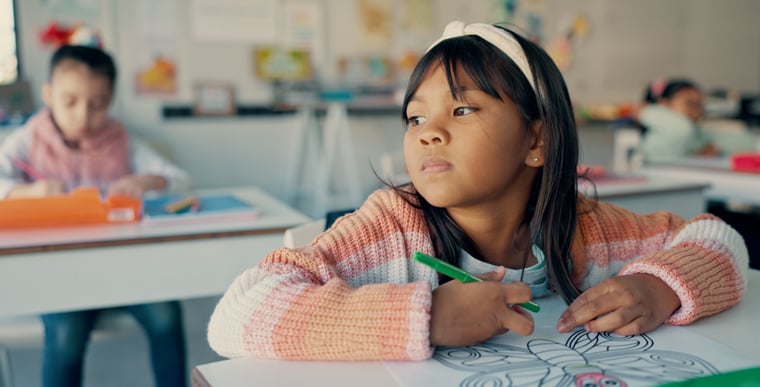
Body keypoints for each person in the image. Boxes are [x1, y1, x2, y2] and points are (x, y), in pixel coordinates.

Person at [207, 21, 748, 361]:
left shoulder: (592, 230)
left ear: (537, 139)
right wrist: (426, 317)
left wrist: (662, 288)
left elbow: (719, 240)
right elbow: (237, 316)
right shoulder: (390, 229)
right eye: (415, 117)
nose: (428, 132)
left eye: (462, 109)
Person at [0, 45, 189, 386]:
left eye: (98, 104)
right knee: (66, 332)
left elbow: (180, 180)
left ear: (111, 100)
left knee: (166, 314)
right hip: (57, 271)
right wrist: (27, 192)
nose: (84, 116)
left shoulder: (122, 140)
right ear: (48, 95)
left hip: (123, 269)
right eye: (69, 101)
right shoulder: (27, 139)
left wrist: (149, 180)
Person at [638, 78, 718, 163]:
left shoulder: (692, 131)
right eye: (689, 104)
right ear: (664, 104)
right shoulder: (651, 112)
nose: (696, 112)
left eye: (699, 106)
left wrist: (699, 153)